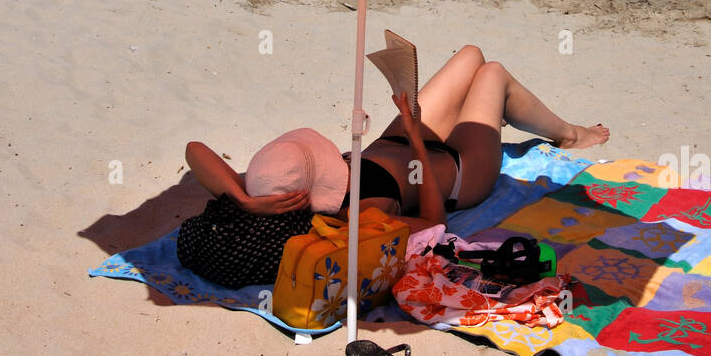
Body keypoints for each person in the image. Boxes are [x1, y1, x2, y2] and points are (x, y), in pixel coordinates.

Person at [183, 45, 609, 253]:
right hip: (459, 172)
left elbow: (194, 149)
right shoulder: (357, 215)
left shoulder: (267, 190)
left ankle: (495, 117)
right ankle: (569, 134)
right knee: (492, 73)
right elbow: (434, 223)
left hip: (398, 138)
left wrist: (243, 199)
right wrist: (419, 144)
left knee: (471, 55)